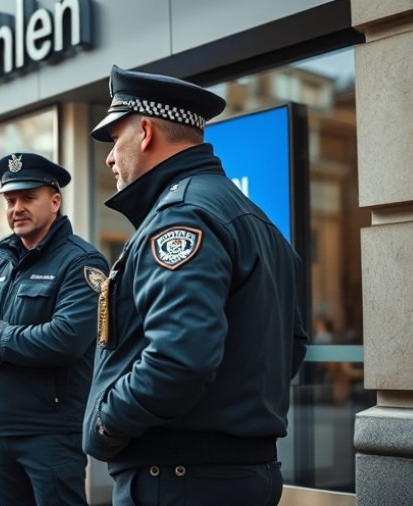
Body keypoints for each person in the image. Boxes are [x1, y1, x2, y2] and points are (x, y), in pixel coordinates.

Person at [82, 65, 308, 506]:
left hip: (179, 481)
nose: (109, 158)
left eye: (114, 138)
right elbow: (292, 346)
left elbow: (179, 357)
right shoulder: (252, 218)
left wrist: (106, 423)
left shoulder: (182, 216)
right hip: (235, 475)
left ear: (145, 132)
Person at [0, 153, 109, 506]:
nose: (17, 208)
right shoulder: (2, 263)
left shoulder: (81, 262)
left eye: (28, 198)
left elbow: (66, 338)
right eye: (10, 200)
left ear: (54, 201)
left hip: (50, 433)